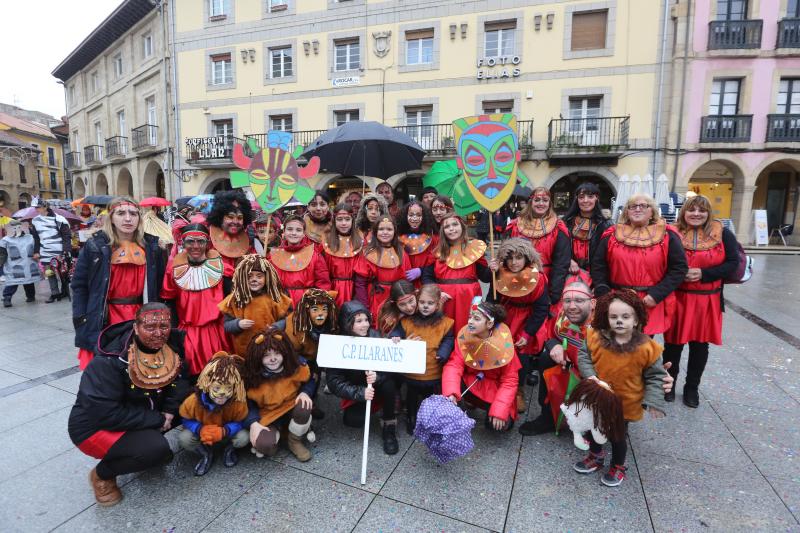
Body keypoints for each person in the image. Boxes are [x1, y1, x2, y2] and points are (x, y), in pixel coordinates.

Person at [68, 303, 189, 506]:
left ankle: (146, 445)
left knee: (192, 404)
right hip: (96, 427)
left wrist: (169, 411)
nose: (158, 334)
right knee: (156, 451)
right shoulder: (109, 361)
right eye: (150, 328)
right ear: (136, 327)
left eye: (164, 327)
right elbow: (105, 413)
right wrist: (157, 419)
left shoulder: (173, 344)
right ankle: (102, 474)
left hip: (143, 411)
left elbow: (181, 378)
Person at [519, 280, 676, 436]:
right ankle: (548, 417)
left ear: (592, 303)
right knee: (546, 359)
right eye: (567, 300)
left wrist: (655, 374)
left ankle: (614, 422)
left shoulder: (608, 324)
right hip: (571, 367)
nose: (572, 306)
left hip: (600, 374)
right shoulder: (562, 315)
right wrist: (553, 345)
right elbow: (548, 333)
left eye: (579, 300)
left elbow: (636, 354)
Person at [575, 291, 667, 487]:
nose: (619, 321)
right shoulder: (596, 337)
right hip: (597, 396)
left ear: (636, 320)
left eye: (625, 317)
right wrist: (590, 375)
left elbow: (656, 375)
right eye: (614, 317)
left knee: (617, 436)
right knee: (594, 428)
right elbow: (584, 355)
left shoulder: (647, 347)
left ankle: (618, 465)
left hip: (626, 402)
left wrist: (654, 402)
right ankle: (596, 455)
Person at [71, 196, 167, 370]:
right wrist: (82, 320)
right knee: (108, 373)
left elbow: (162, 287)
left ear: (139, 218)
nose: (128, 218)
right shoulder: (94, 247)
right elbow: (79, 287)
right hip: (106, 318)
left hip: (141, 316)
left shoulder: (153, 248)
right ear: (111, 218)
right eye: (121, 213)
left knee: (141, 371)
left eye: (133, 213)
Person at [663, 195, 739, 408]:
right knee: (672, 345)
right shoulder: (671, 232)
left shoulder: (723, 233)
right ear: (683, 212)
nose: (696, 214)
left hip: (707, 300)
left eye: (701, 210)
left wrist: (704, 274)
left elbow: (733, 263)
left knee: (699, 346)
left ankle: (692, 388)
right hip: (677, 297)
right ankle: (668, 385)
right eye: (691, 210)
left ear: (708, 213)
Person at [592, 194, 688, 336]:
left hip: (648, 301)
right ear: (627, 212)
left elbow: (679, 268)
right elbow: (598, 265)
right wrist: (604, 292)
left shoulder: (667, 235)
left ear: (652, 212)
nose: (637, 209)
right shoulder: (612, 234)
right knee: (615, 346)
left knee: (642, 348)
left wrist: (657, 294)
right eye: (632, 206)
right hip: (616, 300)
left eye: (643, 206)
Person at [327, 300, 400, 454]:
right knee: (353, 421)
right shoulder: (338, 344)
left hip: (378, 388)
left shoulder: (376, 337)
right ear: (347, 323)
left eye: (366, 319)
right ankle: (368, 406)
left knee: (389, 384)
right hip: (358, 391)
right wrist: (360, 392)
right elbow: (334, 382)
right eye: (359, 321)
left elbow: (392, 368)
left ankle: (389, 424)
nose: (365, 324)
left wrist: (378, 376)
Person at [488, 238, 550, 413]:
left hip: (526, 320)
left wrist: (527, 333)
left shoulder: (537, 277)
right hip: (505, 316)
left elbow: (541, 308)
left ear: (527, 258)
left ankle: (518, 390)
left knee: (521, 357)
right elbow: (491, 300)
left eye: (519, 258)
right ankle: (500, 384)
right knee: (501, 352)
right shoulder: (499, 274)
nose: (514, 262)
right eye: (510, 258)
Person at [161, 223, 230, 377]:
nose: (196, 246)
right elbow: (169, 303)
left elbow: (230, 302)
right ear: (183, 243)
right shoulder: (173, 271)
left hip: (217, 333)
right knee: (189, 377)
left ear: (207, 243)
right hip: (187, 334)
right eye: (190, 241)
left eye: (201, 241)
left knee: (219, 376)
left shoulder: (223, 270)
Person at [442, 299, 521, 432]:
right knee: (449, 387)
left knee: (498, 426)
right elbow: (454, 365)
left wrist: (499, 411)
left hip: (495, 390)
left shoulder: (504, 344)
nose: (470, 322)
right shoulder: (465, 338)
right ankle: (464, 405)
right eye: (470, 317)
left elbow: (510, 380)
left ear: (489, 323)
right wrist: (450, 393)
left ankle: (492, 411)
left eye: (476, 319)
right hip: (471, 383)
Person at [242, 327, 316, 462]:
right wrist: (252, 422)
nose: (273, 359)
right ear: (258, 356)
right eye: (266, 355)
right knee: (265, 446)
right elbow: (247, 404)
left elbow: (309, 380)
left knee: (304, 406)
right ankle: (279, 434)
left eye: (277, 353)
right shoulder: (252, 378)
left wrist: (305, 393)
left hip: (291, 407)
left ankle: (294, 441)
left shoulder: (295, 366)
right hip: (268, 415)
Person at [389, 284, 454, 434]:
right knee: (411, 397)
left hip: (432, 370)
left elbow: (449, 339)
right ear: (418, 301)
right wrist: (395, 337)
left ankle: (430, 419)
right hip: (412, 373)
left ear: (438, 304)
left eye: (430, 303)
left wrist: (443, 352)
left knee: (430, 398)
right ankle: (411, 417)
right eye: (422, 302)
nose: (425, 306)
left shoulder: (446, 323)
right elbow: (398, 331)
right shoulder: (407, 321)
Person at [178, 352, 250, 476]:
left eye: (228, 389)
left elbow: (241, 421)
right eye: (217, 388)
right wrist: (199, 429)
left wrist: (225, 431)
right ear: (207, 384)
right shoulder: (193, 401)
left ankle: (229, 449)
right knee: (184, 439)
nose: (222, 393)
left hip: (226, 433)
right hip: (202, 434)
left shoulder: (237, 402)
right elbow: (185, 418)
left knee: (244, 437)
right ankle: (205, 453)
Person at [421, 212, 490, 334]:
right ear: (443, 231)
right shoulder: (437, 252)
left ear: (462, 227)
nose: (451, 229)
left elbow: (485, 277)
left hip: (470, 298)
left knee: (468, 331)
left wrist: (492, 269)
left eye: (455, 224)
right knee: (445, 332)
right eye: (447, 227)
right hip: (444, 299)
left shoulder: (473, 249)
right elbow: (427, 277)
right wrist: (437, 293)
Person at [218, 254, 292, 357]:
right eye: (249, 276)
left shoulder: (275, 298)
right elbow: (226, 326)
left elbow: (288, 320)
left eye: (259, 276)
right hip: (245, 349)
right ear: (242, 278)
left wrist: (276, 327)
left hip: (272, 348)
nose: (254, 279)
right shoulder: (234, 300)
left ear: (267, 278)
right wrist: (238, 324)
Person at [507, 187, 570, 307]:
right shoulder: (515, 225)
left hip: (546, 280)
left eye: (545, 200)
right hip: (518, 278)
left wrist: (554, 293)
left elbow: (561, 263)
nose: (541, 203)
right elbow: (507, 256)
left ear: (549, 203)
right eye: (537, 200)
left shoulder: (558, 228)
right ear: (531, 202)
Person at [354, 215, 413, 326]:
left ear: (395, 232)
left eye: (389, 229)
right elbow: (360, 283)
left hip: (395, 299)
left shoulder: (402, 253)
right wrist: (364, 306)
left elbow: (405, 282)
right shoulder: (367, 253)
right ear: (375, 231)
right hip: (375, 297)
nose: (385, 232)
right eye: (381, 229)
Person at [268, 214, 331, 307]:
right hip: (281, 303)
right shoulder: (273, 256)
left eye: (298, 230)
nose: (294, 233)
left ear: (303, 234)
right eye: (290, 229)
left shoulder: (314, 255)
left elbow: (322, 283)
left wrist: (316, 304)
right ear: (284, 232)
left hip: (307, 303)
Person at [561, 183, 612, 281]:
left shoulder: (606, 225)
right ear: (577, 199)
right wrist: (569, 261)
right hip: (568, 273)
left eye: (590, 196)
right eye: (581, 197)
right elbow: (559, 249)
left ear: (596, 198)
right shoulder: (566, 223)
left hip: (597, 277)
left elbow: (608, 256)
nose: (585, 200)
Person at [207, 190, 255, 294]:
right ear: (220, 217)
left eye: (240, 218)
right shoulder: (206, 238)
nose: (235, 222)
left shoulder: (250, 240)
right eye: (230, 217)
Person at [29, 198, 71, 302]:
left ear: (45, 207)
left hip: (59, 250)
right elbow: (36, 238)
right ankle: (54, 293)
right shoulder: (35, 221)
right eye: (35, 208)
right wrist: (36, 251)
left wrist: (65, 250)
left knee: (62, 272)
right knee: (49, 272)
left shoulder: (59, 219)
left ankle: (65, 291)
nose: (36, 209)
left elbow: (66, 235)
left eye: (38, 207)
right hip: (45, 251)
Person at [323, 203, 362, 308]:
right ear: (334, 221)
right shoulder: (326, 241)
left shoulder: (360, 240)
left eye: (347, 219)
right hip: (333, 289)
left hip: (355, 289)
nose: (343, 223)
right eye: (339, 219)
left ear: (352, 220)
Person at [1, 219, 40, 307]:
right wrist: (1, 263)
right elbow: (2, 253)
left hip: (29, 264)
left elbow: (36, 247)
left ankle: (30, 296)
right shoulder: (6, 240)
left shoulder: (29, 237)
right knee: (13, 282)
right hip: (14, 266)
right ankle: (7, 298)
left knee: (28, 281)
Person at [397, 199, 437, 285]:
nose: (414, 218)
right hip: (403, 284)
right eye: (411, 215)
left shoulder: (433, 238)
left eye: (418, 215)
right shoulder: (397, 238)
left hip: (425, 283)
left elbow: (436, 262)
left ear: (424, 217)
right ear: (405, 216)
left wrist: (421, 270)